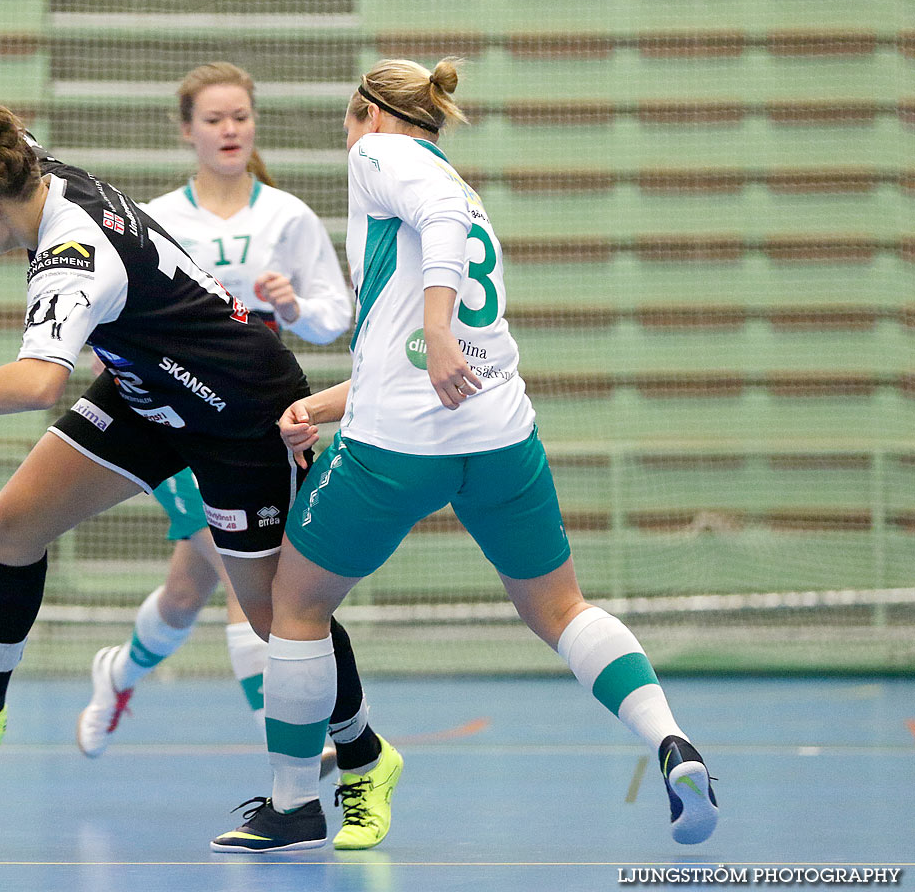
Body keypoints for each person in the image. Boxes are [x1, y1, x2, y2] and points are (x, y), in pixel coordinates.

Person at [0, 98, 389, 850]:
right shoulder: (33, 168)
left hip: (238, 408)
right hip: (148, 391)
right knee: (12, 525)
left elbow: (34, 386)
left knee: (279, 617)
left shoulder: (69, 257)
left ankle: (364, 759)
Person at [211, 58, 720, 853]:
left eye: (347, 123)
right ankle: (670, 740)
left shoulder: (383, 158)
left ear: (370, 115)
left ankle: (291, 804)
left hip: (399, 451)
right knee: (561, 612)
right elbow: (410, 350)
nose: (346, 139)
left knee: (294, 606)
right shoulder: (464, 192)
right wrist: (325, 402)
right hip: (498, 437)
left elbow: (434, 286)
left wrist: (439, 329)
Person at [75, 62, 352, 762]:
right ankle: (294, 746)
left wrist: (293, 308)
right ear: (187, 130)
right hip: (176, 421)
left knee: (182, 593)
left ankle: (118, 673)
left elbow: (335, 317)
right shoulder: (157, 220)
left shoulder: (286, 216)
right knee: (245, 580)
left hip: (255, 417)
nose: (230, 130)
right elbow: (112, 311)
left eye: (240, 117)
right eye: (214, 119)